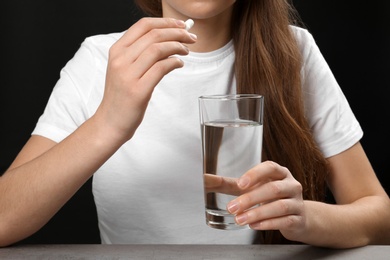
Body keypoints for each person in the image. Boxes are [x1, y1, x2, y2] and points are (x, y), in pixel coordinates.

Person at [1, 0, 389, 248]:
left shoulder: (294, 52)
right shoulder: (100, 59)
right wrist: (108, 123)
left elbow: (380, 217)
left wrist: (304, 217)